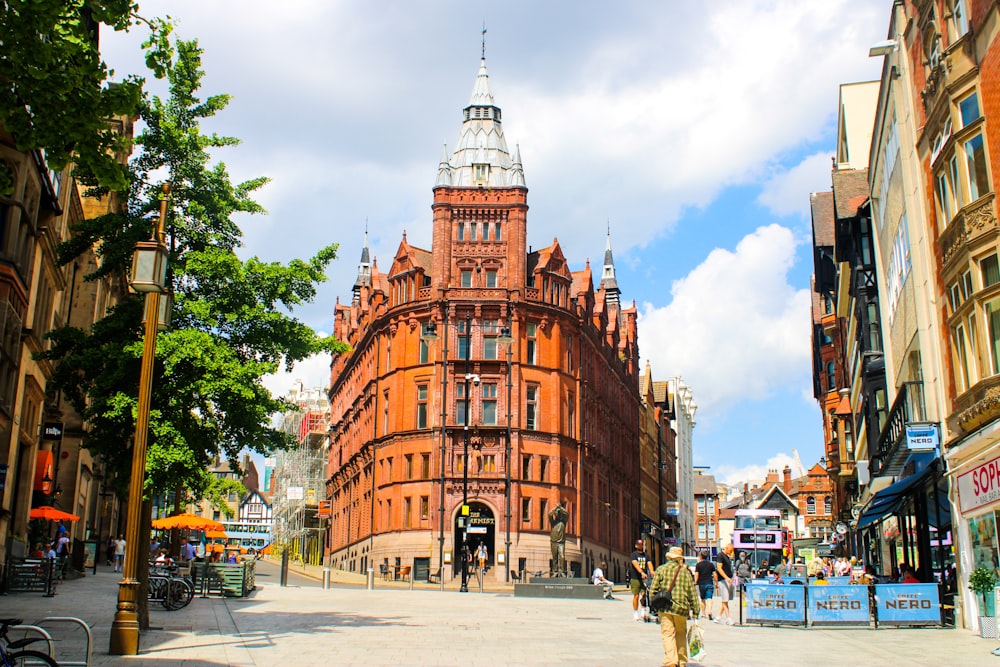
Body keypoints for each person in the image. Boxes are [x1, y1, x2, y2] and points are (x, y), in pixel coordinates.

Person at [649, 547, 699, 667]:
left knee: (668, 633)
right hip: (681, 608)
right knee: (681, 633)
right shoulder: (685, 572)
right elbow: (692, 593)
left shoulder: (661, 570)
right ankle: (682, 661)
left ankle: (671, 660)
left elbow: (652, 590)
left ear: (669, 557)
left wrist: (655, 605)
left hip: (665, 608)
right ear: (679, 559)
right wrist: (696, 610)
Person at [629, 538, 655, 621]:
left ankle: (643, 611)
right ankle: (635, 612)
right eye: (639, 544)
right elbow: (635, 564)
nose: (641, 546)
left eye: (642, 544)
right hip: (635, 578)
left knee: (644, 595)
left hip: (644, 578)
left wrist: (652, 571)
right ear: (636, 546)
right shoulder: (634, 555)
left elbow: (649, 563)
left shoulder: (646, 555)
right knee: (636, 596)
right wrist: (641, 572)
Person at [715, 543, 735, 625]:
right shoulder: (720, 556)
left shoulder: (727, 557)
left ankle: (718, 617)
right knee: (725, 600)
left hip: (728, 580)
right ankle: (728, 618)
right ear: (726, 548)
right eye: (730, 550)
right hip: (723, 580)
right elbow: (719, 568)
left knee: (725, 600)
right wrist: (726, 577)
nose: (731, 552)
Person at [694, 549, 717, 620]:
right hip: (709, 582)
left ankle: (703, 613)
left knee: (702, 599)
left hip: (701, 583)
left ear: (701, 556)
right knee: (709, 598)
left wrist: (695, 582)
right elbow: (715, 574)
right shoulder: (711, 564)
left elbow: (696, 575)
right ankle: (709, 611)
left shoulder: (698, 565)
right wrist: (716, 582)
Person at [548, 500, 569, 577]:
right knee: (555, 557)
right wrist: (555, 508)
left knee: (562, 556)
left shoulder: (564, 522)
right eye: (557, 513)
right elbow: (549, 514)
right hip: (554, 542)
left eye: (559, 513)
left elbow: (567, 514)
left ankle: (562, 571)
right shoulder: (553, 522)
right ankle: (555, 571)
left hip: (561, 542)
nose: (558, 514)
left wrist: (561, 508)